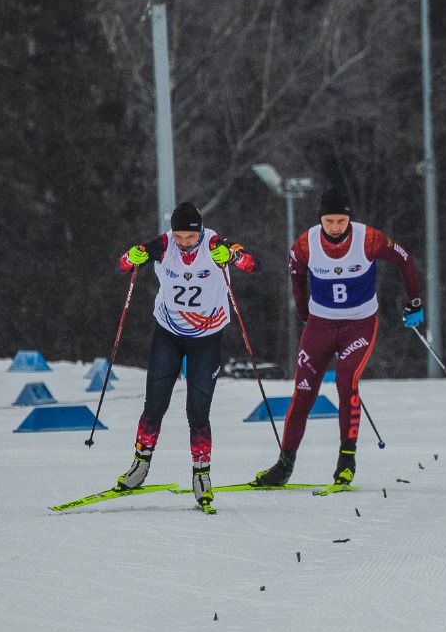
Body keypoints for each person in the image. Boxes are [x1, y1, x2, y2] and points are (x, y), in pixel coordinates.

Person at [252, 189, 422, 488]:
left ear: (349, 219)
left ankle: (346, 460)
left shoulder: (368, 239)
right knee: (303, 392)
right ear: (321, 220)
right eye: (329, 220)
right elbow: (296, 274)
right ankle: (284, 464)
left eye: (341, 220)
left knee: (346, 381)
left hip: (359, 324)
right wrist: (304, 311)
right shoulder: (305, 244)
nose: (335, 227)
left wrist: (415, 302)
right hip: (320, 326)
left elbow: (405, 259)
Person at [113, 201, 262, 512]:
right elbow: (122, 266)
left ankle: (201, 475)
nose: (184, 243)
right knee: (154, 405)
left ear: (201, 232)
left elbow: (253, 264)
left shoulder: (215, 244)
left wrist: (233, 257)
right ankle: (139, 466)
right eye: (179, 236)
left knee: (198, 412)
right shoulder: (163, 244)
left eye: (189, 238)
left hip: (206, 339)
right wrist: (132, 257)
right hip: (168, 333)